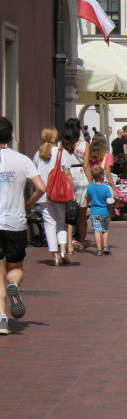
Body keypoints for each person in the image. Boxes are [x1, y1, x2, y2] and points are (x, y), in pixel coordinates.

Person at [0, 117, 46, 334]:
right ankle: (14, 286)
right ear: (11, 136)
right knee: (14, 269)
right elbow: (41, 187)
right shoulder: (22, 159)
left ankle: (1, 319)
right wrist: (28, 203)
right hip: (15, 223)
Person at [33, 127, 71, 266]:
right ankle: (62, 250)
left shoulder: (38, 154)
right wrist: (71, 191)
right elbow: (67, 173)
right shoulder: (62, 152)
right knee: (62, 222)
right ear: (56, 138)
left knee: (49, 224)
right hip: (60, 192)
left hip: (43, 193)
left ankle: (54, 255)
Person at [62, 118, 90, 252]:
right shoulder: (84, 145)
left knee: (68, 213)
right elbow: (86, 165)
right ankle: (82, 241)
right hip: (81, 178)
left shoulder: (61, 145)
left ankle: (69, 242)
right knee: (82, 213)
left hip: (66, 176)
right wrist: (91, 183)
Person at [86, 167, 113, 256]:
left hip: (94, 211)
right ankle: (105, 246)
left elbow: (87, 197)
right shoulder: (105, 188)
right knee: (105, 229)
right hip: (104, 211)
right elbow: (110, 201)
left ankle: (99, 249)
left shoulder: (90, 187)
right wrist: (111, 212)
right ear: (102, 176)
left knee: (97, 230)